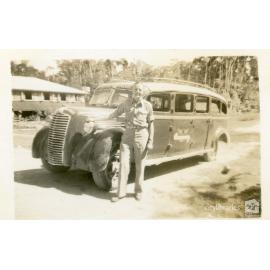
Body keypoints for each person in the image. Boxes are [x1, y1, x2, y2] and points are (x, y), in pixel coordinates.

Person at [109, 83, 154, 202]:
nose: (137, 92)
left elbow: (151, 124)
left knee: (140, 165)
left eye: (139, 90)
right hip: (127, 136)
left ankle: (138, 191)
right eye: (135, 90)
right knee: (123, 164)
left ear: (143, 92)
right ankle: (121, 193)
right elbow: (115, 113)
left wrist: (150, 141)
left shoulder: (148, 106)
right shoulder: (125, 104)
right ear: (132, 92)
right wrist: (102, 118)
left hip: (141, 135)